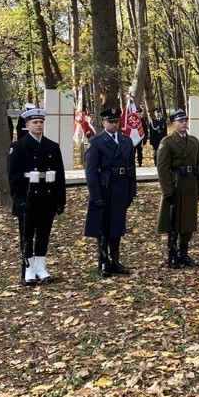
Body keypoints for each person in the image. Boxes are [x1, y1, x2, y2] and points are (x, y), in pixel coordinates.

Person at [7, 107, 66, 285]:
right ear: (27, 125)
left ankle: (41, 267)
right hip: (28, 197)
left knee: (43, 234)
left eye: (41, 122)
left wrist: (60, 200)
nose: (39, 125)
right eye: (35, 122)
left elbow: (60, 176)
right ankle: (28, 269)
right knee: (27, 235)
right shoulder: (18, 147)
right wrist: (18, 200)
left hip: (47, 197)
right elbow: (13, 176)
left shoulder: (52, 146)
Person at [83, 107, 137, 277]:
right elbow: (90, 171)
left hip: (121, 187)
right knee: (103, 226)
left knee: (117, 225)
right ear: (103, 122)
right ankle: (103, 261)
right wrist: (96, 195)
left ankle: (115, 260)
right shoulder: (97, 141)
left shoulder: (126, 141)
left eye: (116, 121)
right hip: (104, 186)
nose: (114, 124)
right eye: (110, 121)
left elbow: (131, 168)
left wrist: (131, 191)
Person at [156, 110, 199, 268]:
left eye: (185, 120)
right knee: (173, 222)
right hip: (175, 186)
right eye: (180, 121)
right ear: (173, 124)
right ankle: (172, 254)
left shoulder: (193, 141)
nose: (183, 123)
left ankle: (184, 253)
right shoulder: (167, 142)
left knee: (188, 221)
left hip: (190, 185)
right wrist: (167, 190)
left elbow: (198, 166)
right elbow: (162, 169)